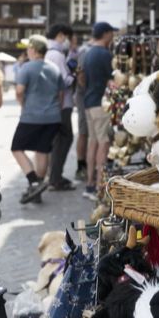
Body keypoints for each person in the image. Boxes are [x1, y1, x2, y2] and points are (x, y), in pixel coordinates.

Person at [11, 34, 65, 204]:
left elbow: (19, 91)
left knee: (17, 148)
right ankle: (38, 189)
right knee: (43, 151)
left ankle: (34, 182)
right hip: (53, 116)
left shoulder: (26, 68)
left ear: (33, 50)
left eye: (28, 48)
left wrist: (23, 105)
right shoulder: (54, 68)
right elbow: (61, 94)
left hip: (32, 116)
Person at [82, 22, 115, 200]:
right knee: (103, 144)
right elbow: (113, 80)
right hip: (101, 104)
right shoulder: (104, 54)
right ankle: (98, 188)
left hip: (88, 102)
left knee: (92, 143)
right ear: (105, 34)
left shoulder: (88, 53)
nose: (113, 37)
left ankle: (89, 185)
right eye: (111, 33)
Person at [45, 23, 76, 191]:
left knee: (59, 140)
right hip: (62, 103)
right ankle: (55, 178)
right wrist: (75, 75)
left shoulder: (49, 53)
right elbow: (64, 80)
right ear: (60, 35)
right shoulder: (57, 55)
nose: (67, 41)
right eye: (66, 37)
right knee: (64, 139)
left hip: (54, 103)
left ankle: (54, 176)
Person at [73, 40, 90, 181]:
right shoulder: (86, 51)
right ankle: (81, 166)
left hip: (86, 97)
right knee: (84, 132)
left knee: (87, 133)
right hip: (85, 97)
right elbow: (81, 76)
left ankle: (85, 165)